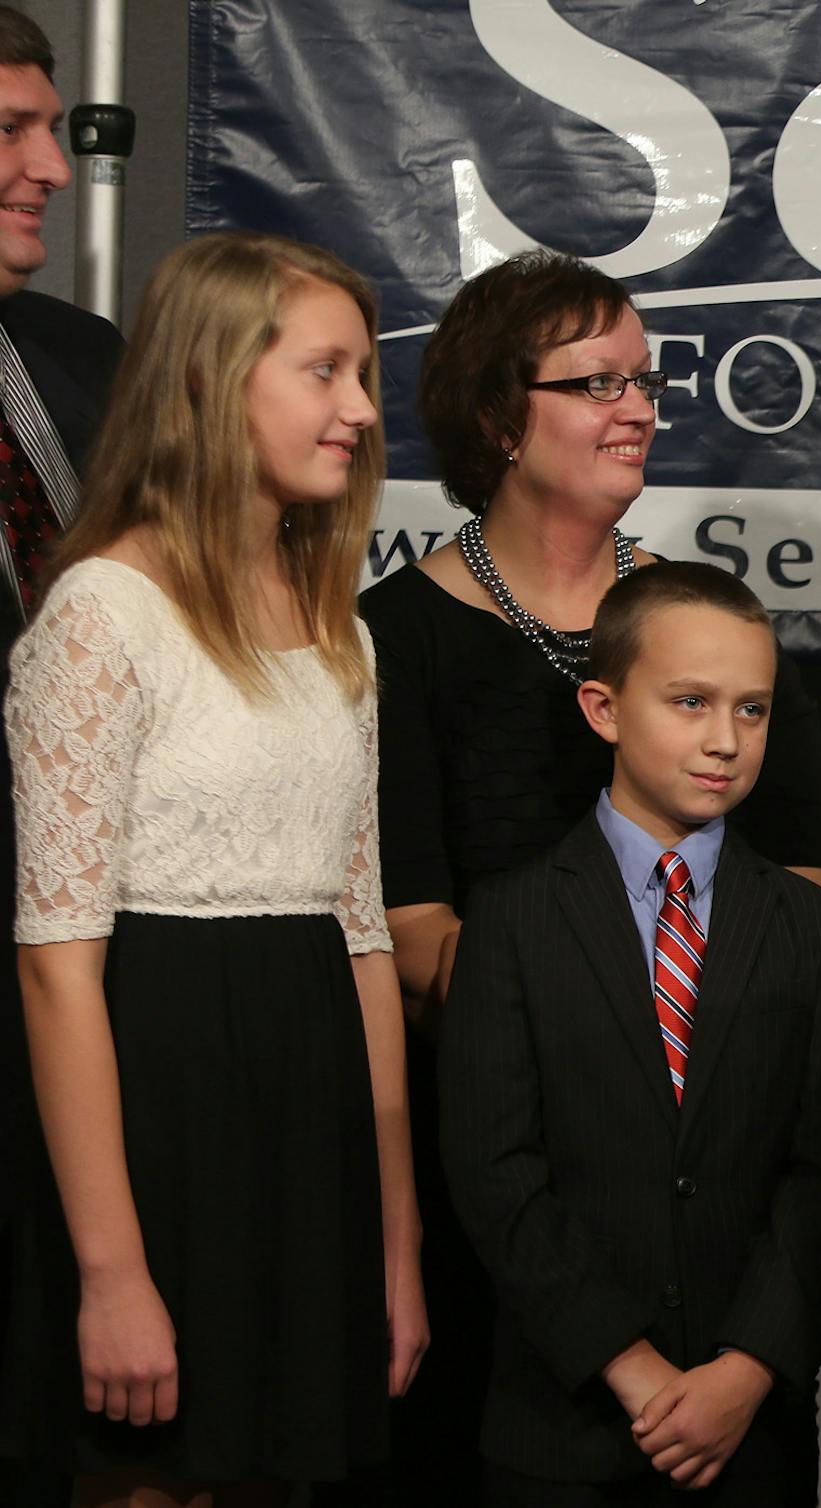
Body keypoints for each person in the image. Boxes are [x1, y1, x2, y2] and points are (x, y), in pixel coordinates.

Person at [357, 251, 821, 1500]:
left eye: (644, 378)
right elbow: (410, 931)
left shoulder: (707, 631)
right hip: (504, 1206)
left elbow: (803, 905)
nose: (635, 405)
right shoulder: (394, 641)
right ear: (494, 415)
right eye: (595, 381)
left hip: (720, 1198)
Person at [4, 232, 426, 1502]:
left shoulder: (337, 623)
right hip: (157, 1128)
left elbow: (362, 940)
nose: (359, 408)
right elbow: (56, 969)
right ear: (209, 376)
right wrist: (112, 1270)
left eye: (361, 376)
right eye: (326, 370)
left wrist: (393, 1239)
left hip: (307, 1132)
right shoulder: (101, 614)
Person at [438, 561, 821, 1507]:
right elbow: (493, 1168)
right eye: (690, 702)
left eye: (751, 711)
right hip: (561, 1432)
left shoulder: (806, 925)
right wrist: (630, 1367)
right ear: (603, 709)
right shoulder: (511, 921)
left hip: (748, 1438)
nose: (725, 741)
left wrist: (745, 1368)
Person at [0, 12, 124, 1495]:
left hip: (89, 987)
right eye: (10, 134)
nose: (50, 167)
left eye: (51, 131)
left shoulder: (87, 362)